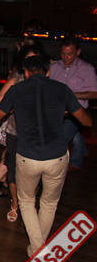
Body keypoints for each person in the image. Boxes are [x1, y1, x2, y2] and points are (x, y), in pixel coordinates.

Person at [0, 55, 92, 256]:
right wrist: (65, 111)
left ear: (27, 73)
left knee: (26, 202)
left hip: (28, 157)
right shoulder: (62, 89)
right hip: (57, 157)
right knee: (49, 203)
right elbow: (87, 122)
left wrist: (9, 110)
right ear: (48, 71)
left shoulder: (17, 90)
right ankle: (37, 249)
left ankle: (37, 250)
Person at [0, 45, 41, 221]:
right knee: (12, 169)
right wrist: (10, 108)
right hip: (15, 132)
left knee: (32, 171)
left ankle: (28, 202)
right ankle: (15, 205)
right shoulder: (16, 81)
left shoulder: (46, 83)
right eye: (28, 60)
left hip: (37, 134)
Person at [48, 37, 97, 170]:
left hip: (76, 112)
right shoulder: (55, 67)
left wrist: (73, 95)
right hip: (57, 111)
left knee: (61, 138)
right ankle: (82, 152)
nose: (65, 57)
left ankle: (74, 163)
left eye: (69, 54)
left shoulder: (86, 69)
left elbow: (94, 93)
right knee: (75, 135)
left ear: (78, 52)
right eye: (63, 53)